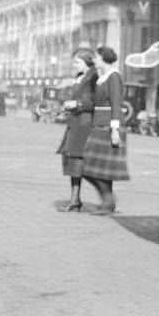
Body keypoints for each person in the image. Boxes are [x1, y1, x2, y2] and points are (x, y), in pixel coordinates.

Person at [81, 46, 129, 213]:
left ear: (102, 58)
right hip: (99, 125)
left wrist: (115, 130)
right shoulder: (101, 78)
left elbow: (116, 103)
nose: (94, 61)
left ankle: (108, 200)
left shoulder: (114, 76)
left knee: (91, 165)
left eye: (96, 57)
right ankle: (107, 200)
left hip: (109, 126)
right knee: (97, 167)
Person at [54, 49, 97, 212]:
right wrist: (67, 103)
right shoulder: (80, 78)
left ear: (86, 62)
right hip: (76, 123)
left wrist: (78, 104)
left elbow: (95, 101)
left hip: (84, 125)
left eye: (77, 62)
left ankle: (83, 199)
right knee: (73, 160)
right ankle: (75, 199)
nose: (74, 65)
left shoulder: (93, 78)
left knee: (79, 161)